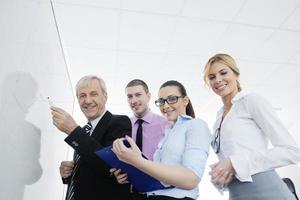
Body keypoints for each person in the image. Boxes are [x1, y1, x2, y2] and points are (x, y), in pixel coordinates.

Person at [203, 53, 300, 200]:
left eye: (223, 73)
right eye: (211, 77)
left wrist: (235, 162)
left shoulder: (251, 101)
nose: (218, 80)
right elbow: (231, 159)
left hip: (267, 191)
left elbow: (292, 152)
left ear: (236, 74)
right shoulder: (218, 117)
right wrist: (219, 176)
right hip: (236, 193)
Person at [112, 80, 212, 200]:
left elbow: (191, 179)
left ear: (185, 101)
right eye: (162, 101)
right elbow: (159, 174)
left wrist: (137, 160)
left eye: (172, 99)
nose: (165, 106)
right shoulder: (169, 132)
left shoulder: (196, 125)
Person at [51, 75, 132, 200]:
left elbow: (111, 166)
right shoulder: (84, 131)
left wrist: (73, 131)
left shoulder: (120, 122)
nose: (87, 100)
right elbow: (89, 170)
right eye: (82, 95)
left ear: (105, 97)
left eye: (93, 94)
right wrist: (68, 174)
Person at [111, 79, 169, 200]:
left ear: (148, 96)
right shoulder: (123, 126)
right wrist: (116, 174)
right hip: (129, 194)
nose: (134, 100)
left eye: (138, 95)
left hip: (158, 193)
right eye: (130, 96)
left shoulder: (166, 125)